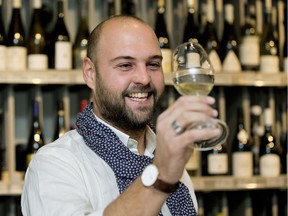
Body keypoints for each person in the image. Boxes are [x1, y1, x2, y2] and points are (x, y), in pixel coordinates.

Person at [21, 15, 220, 216]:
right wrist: (161, 176)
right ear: (90, 73)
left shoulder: (168, 161)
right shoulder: (55, 164)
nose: (143, 78)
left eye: (153, 64)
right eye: (125, 65)